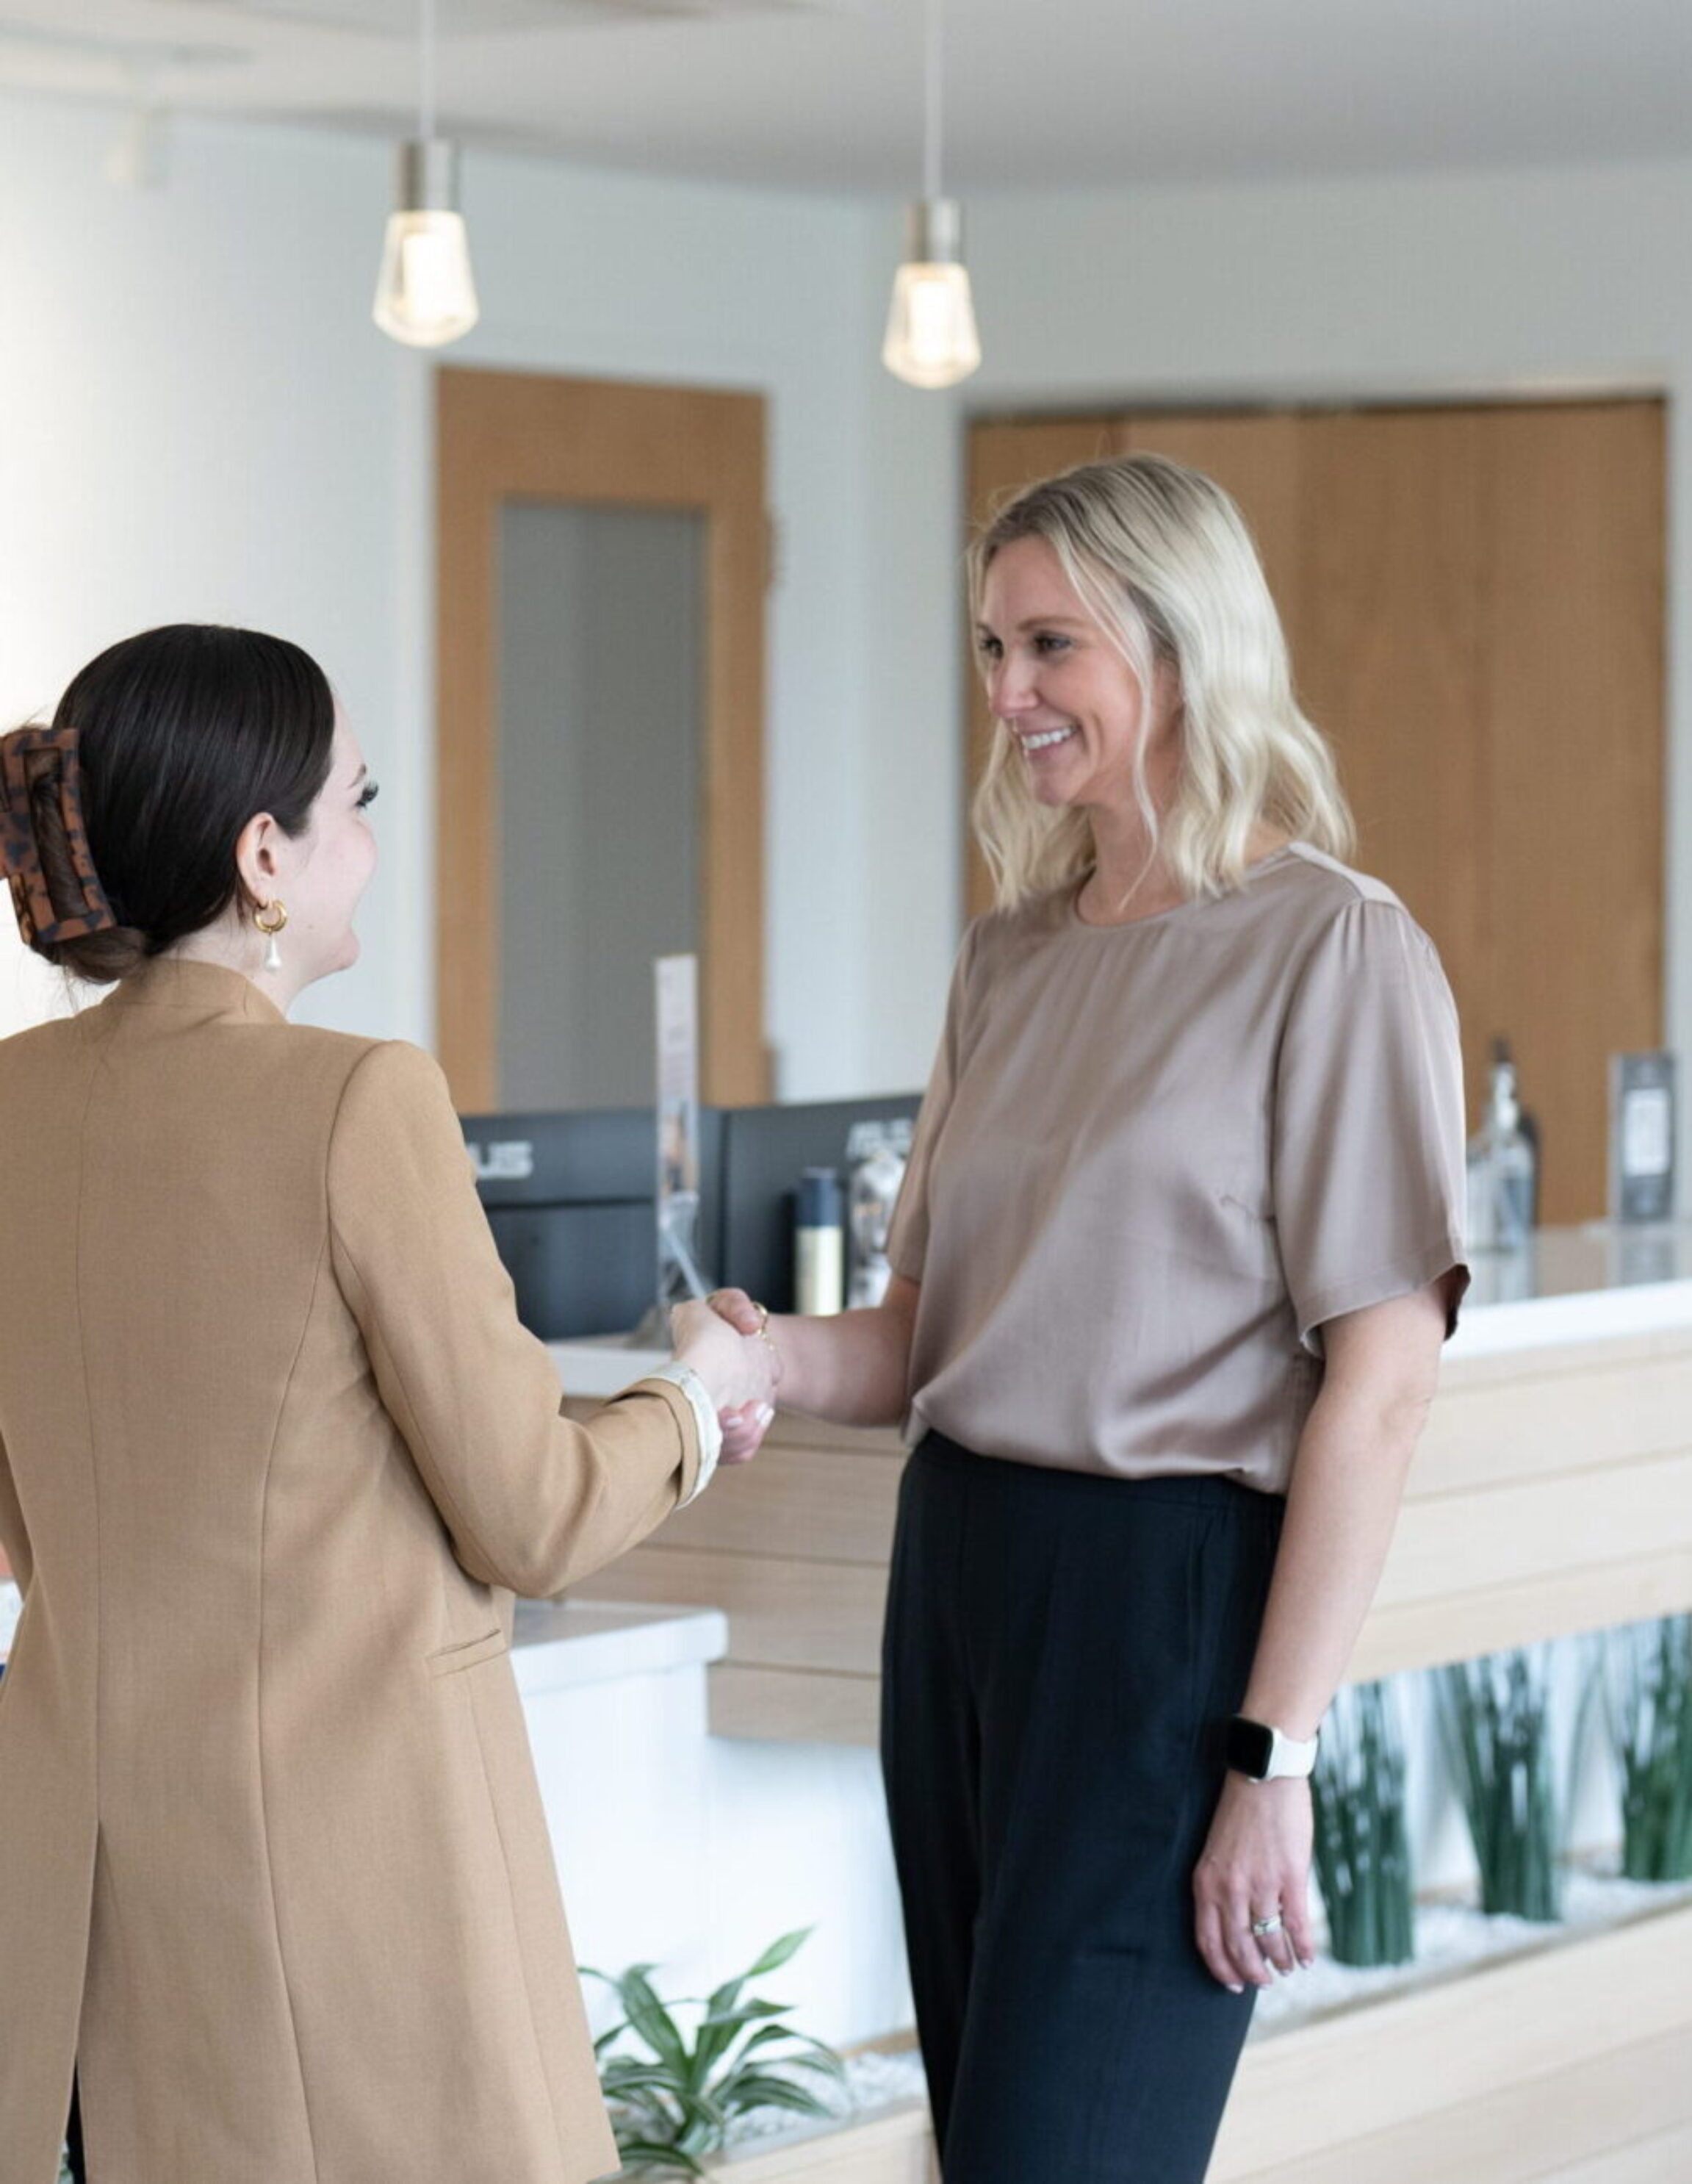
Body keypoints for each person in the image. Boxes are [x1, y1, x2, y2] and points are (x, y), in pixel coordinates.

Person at [709, 454, 1469, 2183]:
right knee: (990, 2147)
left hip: (1164, 1614)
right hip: (962, 1588)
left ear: (1185, 647)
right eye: (990, 648)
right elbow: (927, 1336)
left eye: (1053, 646)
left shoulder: (1333, 951)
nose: (1008, 696)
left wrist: (1273, 1757)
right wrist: (757, 1353)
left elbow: (1381, 1388)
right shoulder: (1009, 957)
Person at [0, 625, 775, 2184]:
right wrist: (701, 1390)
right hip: (343, 1905)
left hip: (86, 1898)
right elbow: (535, 1512)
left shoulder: (12, 1105)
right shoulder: (358, 1099)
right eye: (354, 801)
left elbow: (22, 1525)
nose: (372, 841)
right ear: (264, 856)